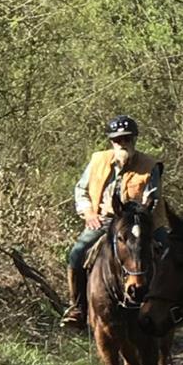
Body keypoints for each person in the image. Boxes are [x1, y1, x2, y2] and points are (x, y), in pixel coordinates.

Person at [61, 114, 168, 329]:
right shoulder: (97, 160)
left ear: (134, 140)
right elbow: (80, 190)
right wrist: (89, 212)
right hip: (104, 220)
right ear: (111, 141)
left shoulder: (150, 165)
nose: (123, 143)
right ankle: (78, 307)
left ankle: (170, 309)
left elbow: (152, 199)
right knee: (76, 254)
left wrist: (136, 216)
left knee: (168, 253)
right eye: (118, 140)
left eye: (127, 139)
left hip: (141, 221)